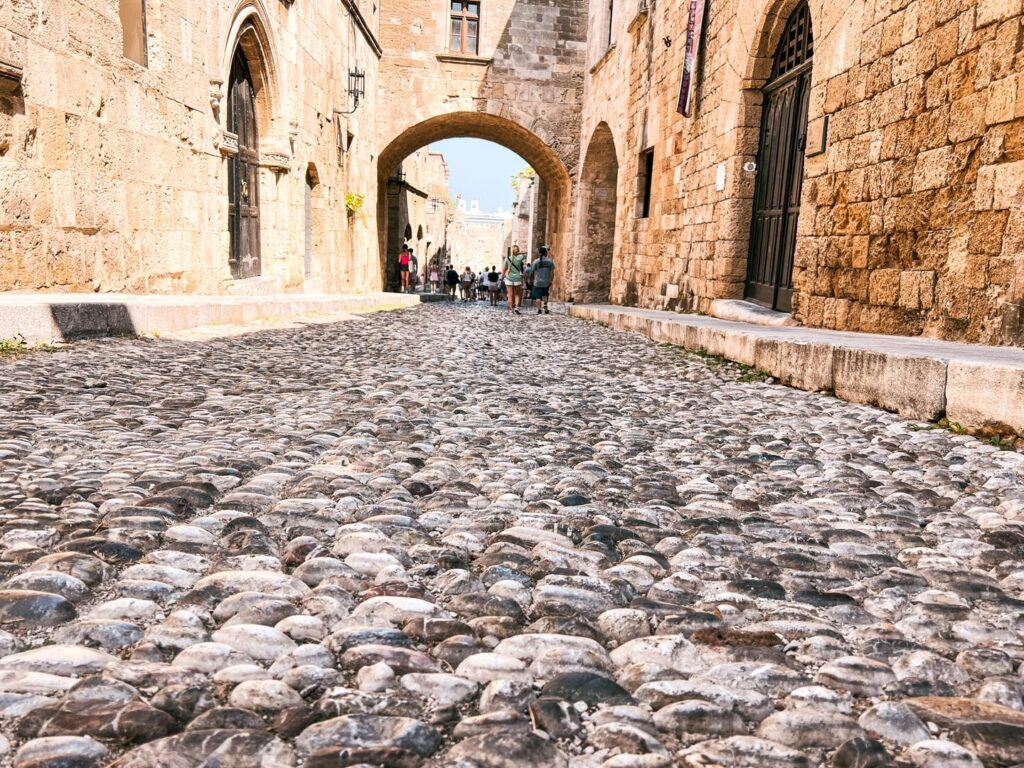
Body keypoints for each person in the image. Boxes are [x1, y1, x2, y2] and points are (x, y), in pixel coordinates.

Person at [502, 245, 527, 315]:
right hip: (517, 278)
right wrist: (519, 253)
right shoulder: (520, 258)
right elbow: (525, 254)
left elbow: (504, 270)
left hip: (509, 278)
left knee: (510, 295)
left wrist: (501, 278)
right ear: (517, 251)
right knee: (517, 294)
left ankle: (510, 310)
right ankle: (516, 308)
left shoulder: (507, 259)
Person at [531, 244, 556, 314]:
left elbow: (532, 271)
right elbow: (552, 272)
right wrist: (551, 280)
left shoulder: (536, 262)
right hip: (546, 281)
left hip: (537, 282)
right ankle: (545, 307)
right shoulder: (550, 261)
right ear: (546, 253)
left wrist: (531, 279)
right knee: (545, 295)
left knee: (538, 297)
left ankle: (539, 309)